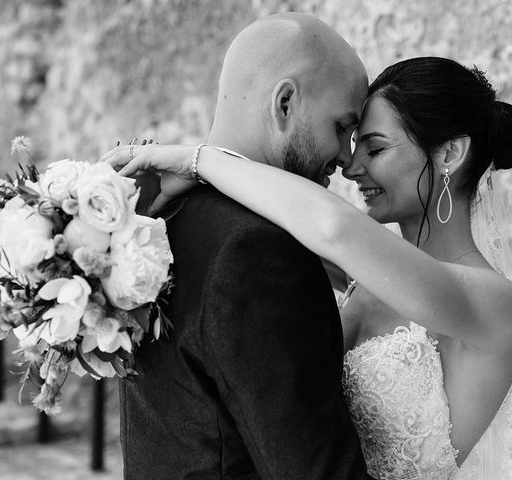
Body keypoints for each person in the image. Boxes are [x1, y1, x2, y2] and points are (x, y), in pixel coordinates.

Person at [103, 57, 512, 479]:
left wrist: (197, 158)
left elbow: (329, 225)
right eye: (352, 145)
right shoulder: (358, 271)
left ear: (449, 154)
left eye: (375, 148)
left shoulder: (498, 306)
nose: (350, 167)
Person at [109, 12, 373, 480]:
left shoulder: (164, 219)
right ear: (286, 103)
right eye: (342, 127)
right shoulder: (259, 251)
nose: (348, 158)